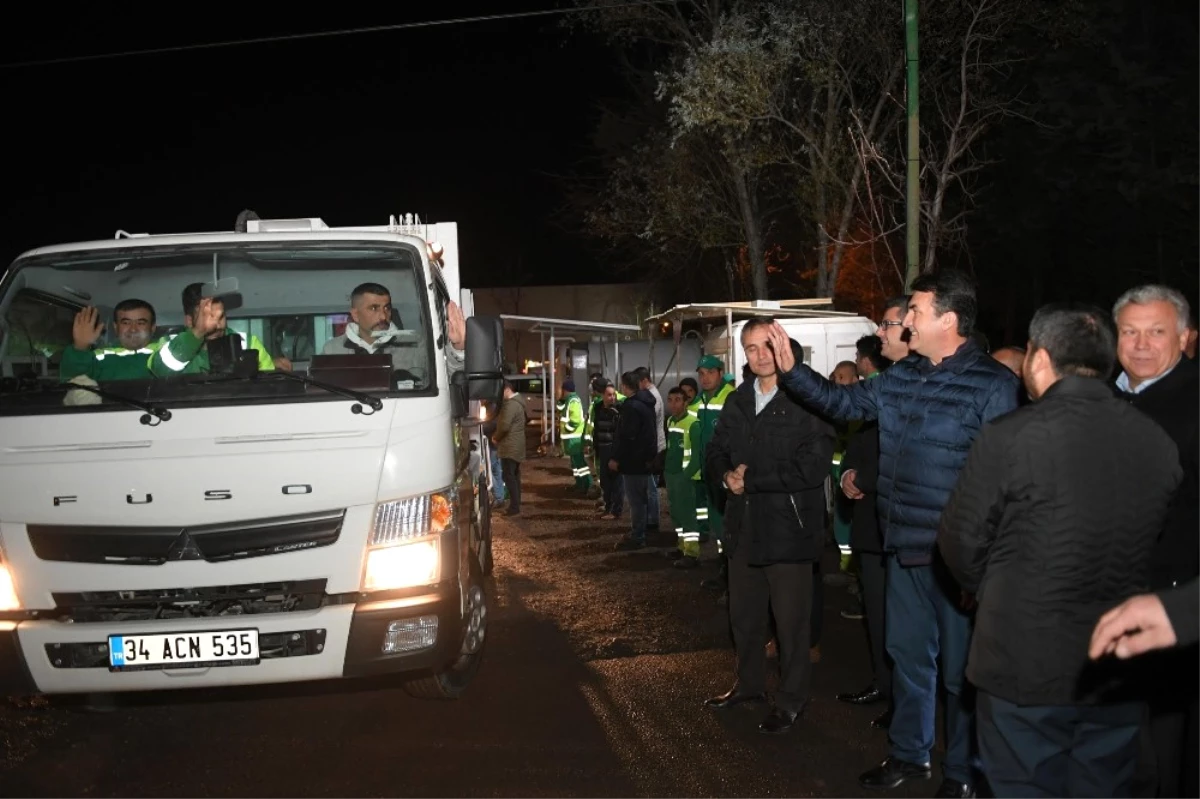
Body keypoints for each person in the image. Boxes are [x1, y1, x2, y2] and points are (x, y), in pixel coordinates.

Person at [772, 270, 1020, 795]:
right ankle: (910, 755)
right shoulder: (901, 378)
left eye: (915, 312)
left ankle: (962, 772)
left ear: (948, 320)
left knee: (960, 675)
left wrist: (987, 566)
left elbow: (1006, 483)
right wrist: (795, 371)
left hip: (959, 561)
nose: (906, 321)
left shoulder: (993, 386)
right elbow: (844, 405)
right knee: (908, 659)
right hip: (903, 548)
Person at [938, 303, 1182, 798]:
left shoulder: (1011, 435)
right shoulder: (1156, 442)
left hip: (1024, 664)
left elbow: (960, 540)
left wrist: (988, 586)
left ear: (1040, 358)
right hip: (1117, 664)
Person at [703, 319, 835, 735]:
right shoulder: (739, 399)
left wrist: (752, 479)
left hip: (789, 529)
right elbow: (715, 450)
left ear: (782, 347)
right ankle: (750, 686)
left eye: (765, 346)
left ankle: (792, 700)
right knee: (744, 616)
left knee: (791, 624)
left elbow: (812, 468)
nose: (758, 356)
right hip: (744, 527)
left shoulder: (807, 400)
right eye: (750, 348)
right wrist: (726, 476)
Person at [1110, 284, 1200, 799]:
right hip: (1102, 601)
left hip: (1169, 606)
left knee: (1157, 752)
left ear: (1185, 338)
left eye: (1157, 332)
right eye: (1130, 331)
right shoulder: (1103, 395)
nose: (1141, 344)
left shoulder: (1194, 400)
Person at [837, 326, 902, 730]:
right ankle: (883, 684)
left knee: (901, 620)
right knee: (877, 613)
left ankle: (904, 699)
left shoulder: (898, 392)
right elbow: (856, 447)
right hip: (868, 524)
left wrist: (865, 479)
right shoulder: (874, 394)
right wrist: (847, 474)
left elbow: (898, 455)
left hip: (897, 523)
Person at [322, 282, 465, 379]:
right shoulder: (332, 349)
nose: (384, 316)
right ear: (355, 314)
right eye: (374, 308)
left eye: (387, 308)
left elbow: (448, 378)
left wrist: (458, 347)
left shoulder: (415, 345)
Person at [149, 284, 279, 376]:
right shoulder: (168, 344)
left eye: (220, 316)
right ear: (189, 321)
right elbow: (161, 370)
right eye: (207, 317)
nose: (217, 325)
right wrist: (199, 332)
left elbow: (269, 386)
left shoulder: (247, 343)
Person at [692, 355, 737, 595]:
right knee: (717, 523)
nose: (705, 377)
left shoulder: (730, 396)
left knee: (727, 523)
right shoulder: (701, 400)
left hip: (725, 473)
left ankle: (732, 576)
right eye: (701, 373)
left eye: (710, 372)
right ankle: (725, 569)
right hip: (709, 472)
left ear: (720, 373)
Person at [609, 371, 657, 551]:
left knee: (636, 501)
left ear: (625, 386)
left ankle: (638, 536)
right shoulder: (647, 403)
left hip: (633, 461)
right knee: (642, 499)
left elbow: (627, 437)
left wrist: (616, 458)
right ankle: (641, 531)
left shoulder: (632, 407)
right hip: (645, 459)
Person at [60, 300, 160, 381]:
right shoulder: (98, 357)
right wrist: (80, 347)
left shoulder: (165, 353)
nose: (133, 329)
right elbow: (72, 387)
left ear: (153, 328)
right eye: (126, 323)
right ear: (115, 327)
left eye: (141, 323)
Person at [664, 387, 701, 568]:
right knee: (676, 514)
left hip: (684, 477)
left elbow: (696, 456)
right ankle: (681, 546)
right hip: (671, 475)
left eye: (678, 400)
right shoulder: (671, 421)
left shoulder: (693, 424)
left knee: (687, 515)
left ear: (686, 402)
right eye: (670, 400)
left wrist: (685, 476)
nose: (673, 404)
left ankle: (692, 553)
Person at [634, 367, 666, 539]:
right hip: (655, 445)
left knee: (651, 487)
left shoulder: (652, 398)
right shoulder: (653, 395)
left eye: (637, 383)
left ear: (644, 380)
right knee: (650, 486)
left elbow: (648, 423)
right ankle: (651, 519)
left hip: (654, 447)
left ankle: (653, 521)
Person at [492, 380, 527, 517]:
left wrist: (496, 437)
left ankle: (514, 506)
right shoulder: (518, 403)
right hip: (516, 445)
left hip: (509, 445)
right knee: (515, 475)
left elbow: (505, 426)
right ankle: (517, 503)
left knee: (509, 476)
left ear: (507, 390)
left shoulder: (511, 405)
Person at [591, 384, 624, 521]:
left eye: (614, 395)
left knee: (616, 481)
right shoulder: (598, 409)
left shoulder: (618, 411)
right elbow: (596, 429)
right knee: (605, 481)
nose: (612, 398)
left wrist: (616, 455)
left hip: (612, 449)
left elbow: (619, 434)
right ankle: (608, 506)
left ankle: (616, 510)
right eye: (609, 395)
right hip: (602, 448)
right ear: (603, 396)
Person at [557, 380, 590, 494]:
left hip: (573, 438)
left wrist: (567, 429)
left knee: (579, 463)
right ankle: (580, 484)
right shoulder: (569, 400)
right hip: (571, 438)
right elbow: (559, 408)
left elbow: (575, 420)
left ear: (565, 390)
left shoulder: (573, 401)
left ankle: (587, 485)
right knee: (575, 464)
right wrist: (561, 399)